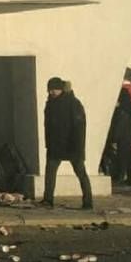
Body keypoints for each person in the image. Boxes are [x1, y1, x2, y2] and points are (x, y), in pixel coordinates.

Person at [42, 76, 92, 209]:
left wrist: (78, 146)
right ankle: (48, 199)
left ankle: (88, 202)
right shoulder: (50, 104)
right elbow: (48, 126)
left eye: (54, 89)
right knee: (50, 172)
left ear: (60, 89)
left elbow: (79, 127)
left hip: (72, 145)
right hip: (55, 145)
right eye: (50, 90)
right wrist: (48, 143)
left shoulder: (73, 103)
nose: (51, 92)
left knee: (80, 172)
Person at [109, 87, 131, 186]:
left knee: (122, 157)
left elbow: (119, 125)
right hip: (130, 137)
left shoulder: (122, 109)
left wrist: (114, 139)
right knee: (129, 157)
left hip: (122, 137)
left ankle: (121, 177)